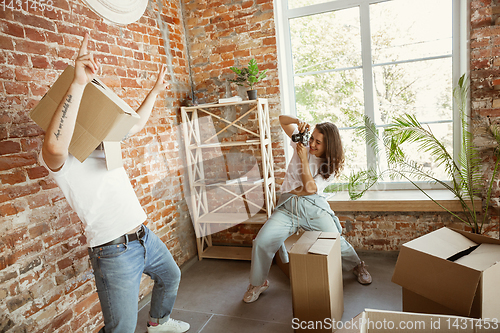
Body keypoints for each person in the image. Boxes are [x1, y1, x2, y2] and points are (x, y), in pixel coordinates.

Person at [39, 33, 189, 333]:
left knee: (171, 276)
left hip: (143, 235)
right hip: (113, 250)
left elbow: (136, 123)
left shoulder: (105, 142)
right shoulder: (59, 158)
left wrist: (155, 91)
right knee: (120, 328)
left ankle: (158, 323)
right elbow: (55, 146)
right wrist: (79, 83)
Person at [243, 115, 372, 303]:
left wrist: (303, 160)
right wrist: (298, 120)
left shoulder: (329, 167)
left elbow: (310, 189)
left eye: (318, 142)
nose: (311, 144)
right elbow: (282, 120)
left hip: (313, 207)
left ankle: (357, 265)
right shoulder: (301, 143)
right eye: (312, 138)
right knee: (262, 241)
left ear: (328, 146)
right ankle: (258, 283)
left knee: (334, 238)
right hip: (288, 207)